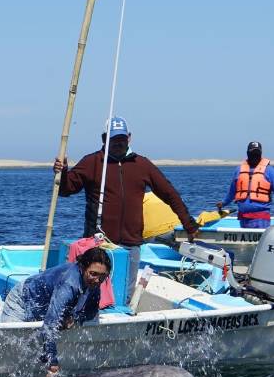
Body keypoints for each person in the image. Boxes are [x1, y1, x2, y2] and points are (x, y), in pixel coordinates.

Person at [54, 116, 199, 296]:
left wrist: (189, 224)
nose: (119, 143)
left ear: (129, 138)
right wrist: (63, 172)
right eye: (114, 139)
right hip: (99, 243)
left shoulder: (142, 164)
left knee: (125, 293)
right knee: (94, 293)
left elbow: (170, 194)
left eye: (122, 139)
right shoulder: (92, 162)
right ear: (104, 138)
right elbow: (67, 189)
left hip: (131, 243)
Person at [0, 247, 112, 377]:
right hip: (21, 300)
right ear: (82, 268)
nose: (97, 280)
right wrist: (53, 363)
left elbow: (91, 311)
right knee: (12, 346)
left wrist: (75, 318)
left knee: (43, 343)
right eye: (93, 274)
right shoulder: (69, 284)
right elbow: (49, 326)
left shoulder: (94, 283)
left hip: (45, 305)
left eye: (103, 276)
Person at [216, 141, 274, 228]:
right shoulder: (239, 170)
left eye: (257, 154)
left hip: (261, 218)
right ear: (247, 154)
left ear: (261, 154)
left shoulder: (269, 170)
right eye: (252, 154)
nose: (255, 156)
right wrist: (223, 203)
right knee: (245, 241)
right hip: (243, 217)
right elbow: (232, 191)